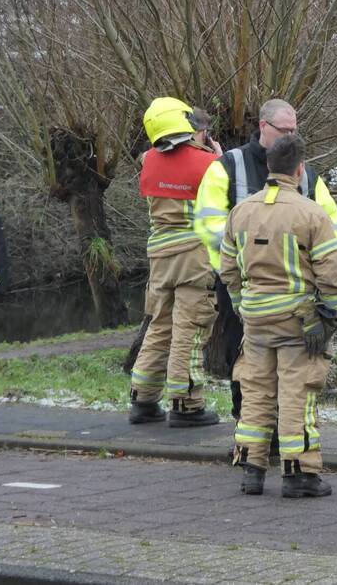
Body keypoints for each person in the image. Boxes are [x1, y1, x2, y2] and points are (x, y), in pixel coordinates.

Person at [194, 99, 337, 423]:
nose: (291, 135)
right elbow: (209, 224)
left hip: (294, 293)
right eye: (284, 130)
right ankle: (249, 426)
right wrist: (245, 268)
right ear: (263, 126)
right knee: (243, 359)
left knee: (292, 371)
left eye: (294, 129)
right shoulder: (228, 166)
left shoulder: (307, 175)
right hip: (243, 288)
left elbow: (331, 227)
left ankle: (275, 436)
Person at [219, 133, 337, 498]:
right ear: (300, 170)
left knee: (255, 394)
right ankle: (299, 474)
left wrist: (244, 304)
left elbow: (228, 268)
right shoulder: (311, 213)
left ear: (269, 168)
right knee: (297, 394)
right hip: (298, 322)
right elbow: (330, 273)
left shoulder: (240, 212)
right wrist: (328, 316)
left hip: (256, 320)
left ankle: (252, 471)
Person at [129, 98, 222, 427]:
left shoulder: (148, 160)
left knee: (159, 325)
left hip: (159, 254)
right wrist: (216, 155)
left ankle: (142, 398)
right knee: (190, 329)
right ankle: (186, 404)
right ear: (198, 131)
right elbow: (223, 195)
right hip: (193, 256)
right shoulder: (208, 163)